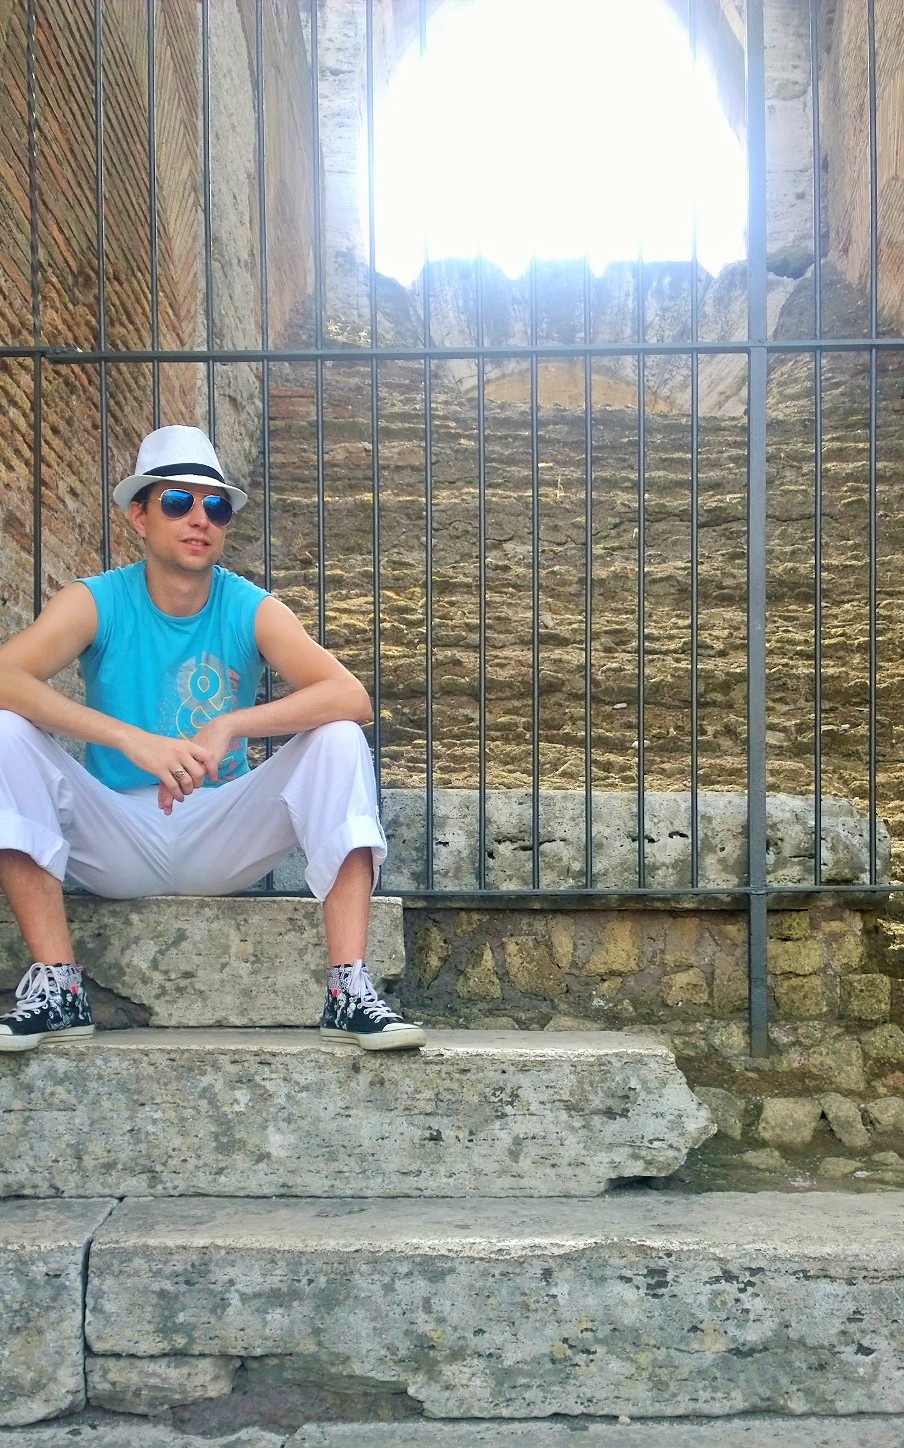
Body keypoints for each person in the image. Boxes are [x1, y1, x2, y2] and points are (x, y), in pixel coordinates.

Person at [0, 424, 424, 1053]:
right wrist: (132, 740)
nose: (199, 518)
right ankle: (59, 988)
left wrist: (231, 723)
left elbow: (350, 696)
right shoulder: (95, 601)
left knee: (337, 737)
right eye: (178, 502)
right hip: (115, 831)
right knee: (4, 732)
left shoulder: (250, 606)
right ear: (140, 516)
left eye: (215, 507)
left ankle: (348, 990)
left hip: (221, 831)